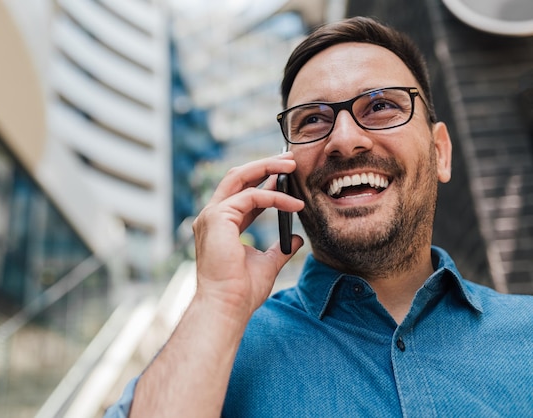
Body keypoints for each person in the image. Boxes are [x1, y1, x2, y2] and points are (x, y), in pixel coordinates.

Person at [105, 16, 533, 417]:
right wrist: (218, 301)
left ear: (439, 152)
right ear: (284, 170)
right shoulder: (218, 352)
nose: (345, 141)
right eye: (312, 120)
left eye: (381, 106)